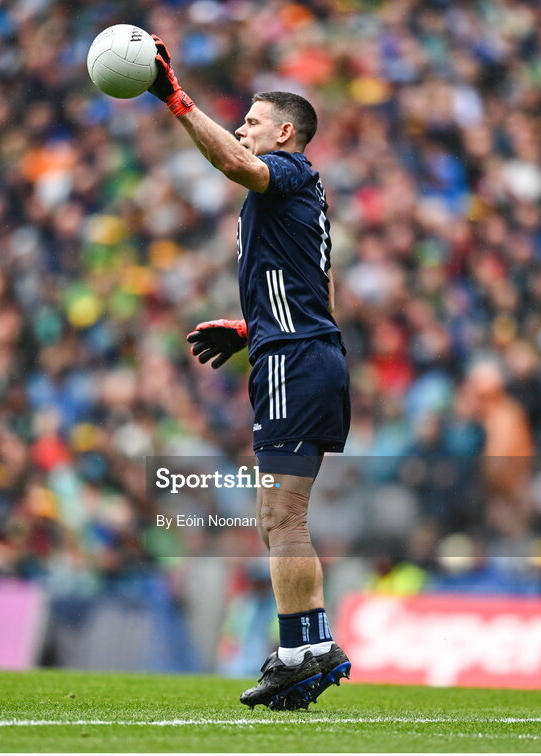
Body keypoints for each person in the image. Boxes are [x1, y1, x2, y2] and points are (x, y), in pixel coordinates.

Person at [146, 36, 351, 710]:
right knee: (276, 518)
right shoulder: (292, 197)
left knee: (282, 518)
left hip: (296, 359)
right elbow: (315, 282)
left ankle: (307, 650)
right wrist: (248, 327)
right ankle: (304, 648)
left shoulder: (289, 170)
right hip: (291, 350)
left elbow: (234, 162)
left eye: (254, 121)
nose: (242, 130)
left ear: (284, 132)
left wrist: (177, 101)